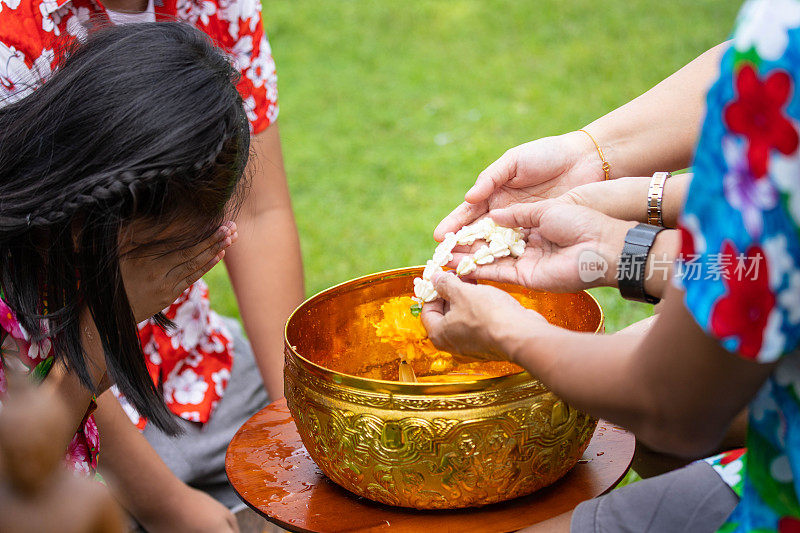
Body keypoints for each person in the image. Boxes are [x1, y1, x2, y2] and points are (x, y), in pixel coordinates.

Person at [424, 0, 800, 530]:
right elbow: (762, 258)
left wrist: (507, 329)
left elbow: (673, 406)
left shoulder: (783, 41)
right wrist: (621, 230)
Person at [0, 0, 304, 513]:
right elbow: (21, 470)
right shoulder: (17, 35)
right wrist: (170, 508)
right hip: (75, 406)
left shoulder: (217, 7)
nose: (187, 276)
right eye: (185, 257)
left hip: (188, 365)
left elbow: (259, 212)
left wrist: (299, 424)